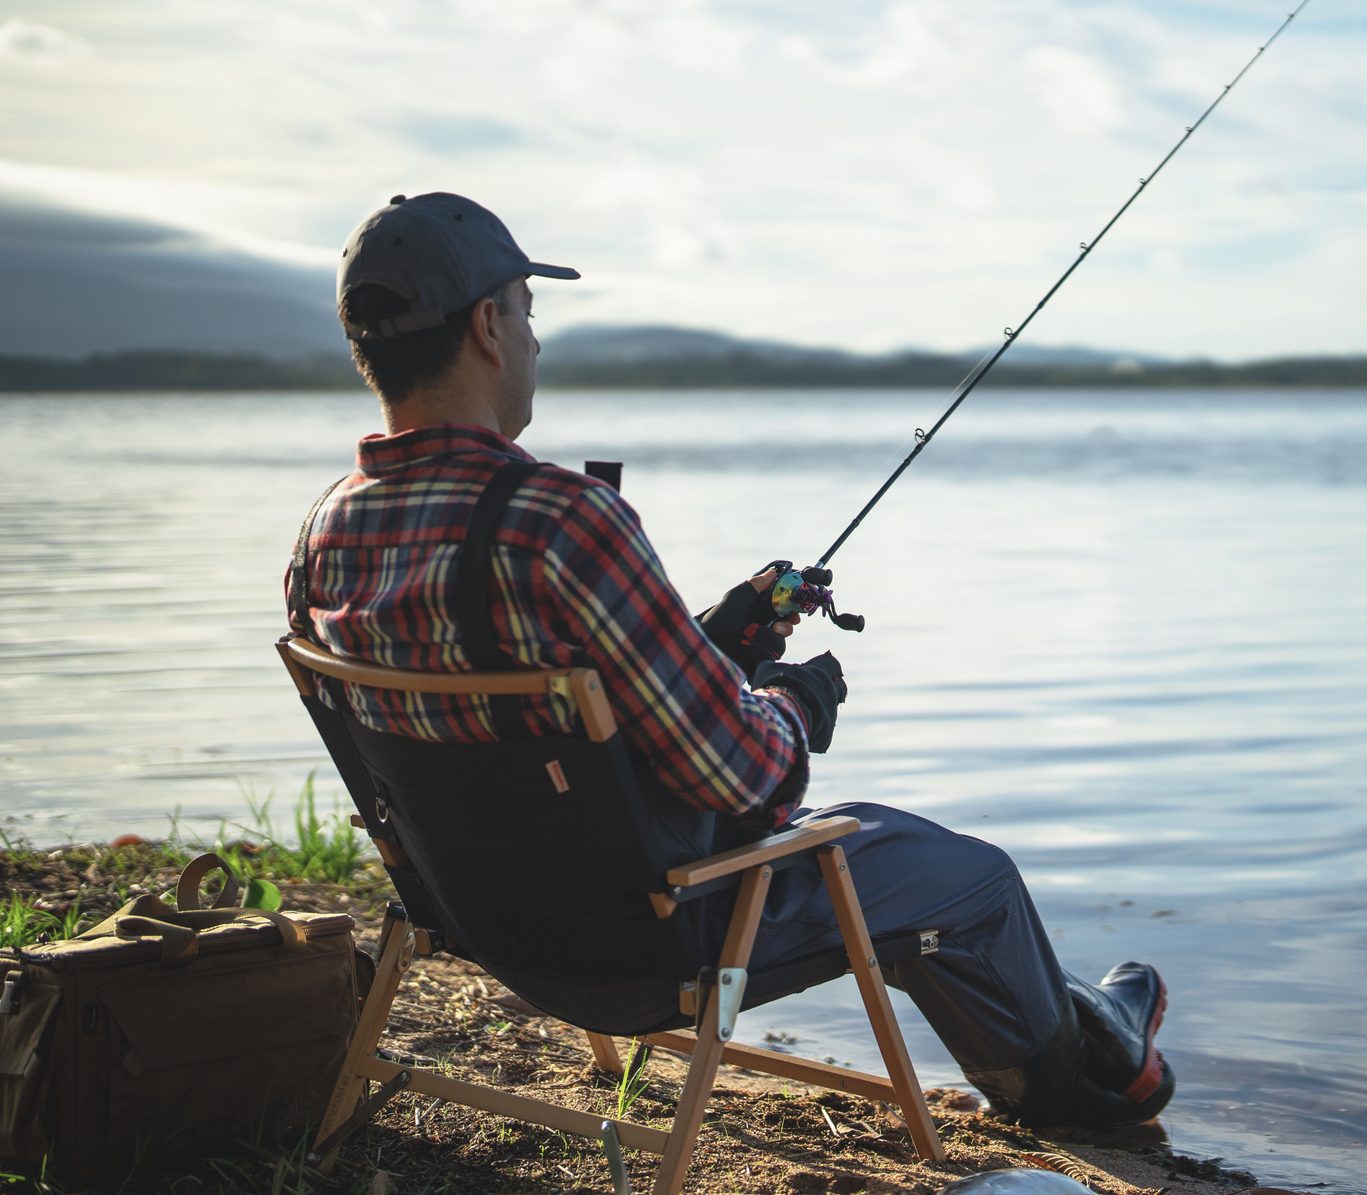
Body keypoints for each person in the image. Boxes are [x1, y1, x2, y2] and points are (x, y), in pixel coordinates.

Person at [287, 192, 1171, 1128]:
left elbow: (535, 708)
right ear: (488, 327)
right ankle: (1084, 1085)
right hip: (649, 945)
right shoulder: (559, 520)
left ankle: (1095, 1025)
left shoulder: (322, 537)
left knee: (914, 869)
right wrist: (794, 698)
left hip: (481, 925)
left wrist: (716, 642)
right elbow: (748, 773)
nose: (536, 343)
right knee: (970, 877)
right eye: (528, 315)